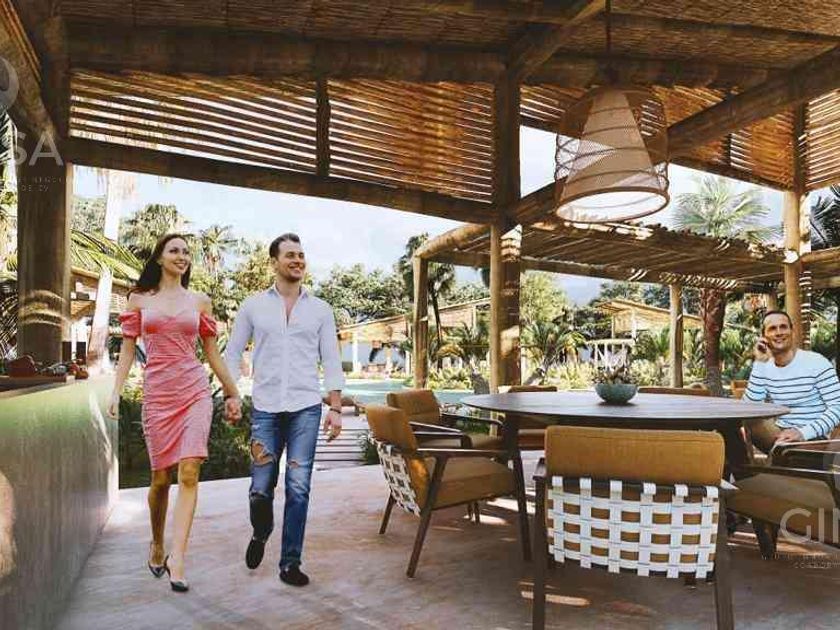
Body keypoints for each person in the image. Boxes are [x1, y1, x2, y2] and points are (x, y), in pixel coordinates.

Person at [108, 234, 241, 593]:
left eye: (186, 252)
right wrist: (116, 391)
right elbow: (127, 350)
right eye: (174, 250)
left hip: (194, 391)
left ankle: (178, 558)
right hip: (158, 395)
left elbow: (212, 353)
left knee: (189, 472)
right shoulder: (139, 299)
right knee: (160, 480)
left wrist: (232, 392)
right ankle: (156, 542)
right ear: (160, 258)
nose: (182, 256)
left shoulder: (200, 301)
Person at [223, 233, 344, 587]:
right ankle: (262, 530)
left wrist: (335, 407)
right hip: (265, 408)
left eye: (301, 255)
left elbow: (331, 359)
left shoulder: (320, 309)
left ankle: (290, 562)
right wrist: (231, 394)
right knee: (260, 488)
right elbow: (233, 353)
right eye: (290, 255)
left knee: (298, 487)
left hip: (306, 408)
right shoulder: (253, 306)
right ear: (274, 261)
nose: (297, 260)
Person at [743, 310, 840, 452]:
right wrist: (759, 363)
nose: (779, 332)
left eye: (783, 327)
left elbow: (837, 407)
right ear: (763, 336)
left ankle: (779, 459)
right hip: (779, 433)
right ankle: (750, 466)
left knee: (785, 454)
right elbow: (750, 408)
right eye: (772, 328)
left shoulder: (817, 362)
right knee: (741, 422)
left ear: (792, 332)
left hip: (814, 436)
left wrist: (802, 433)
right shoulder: (764, 367)